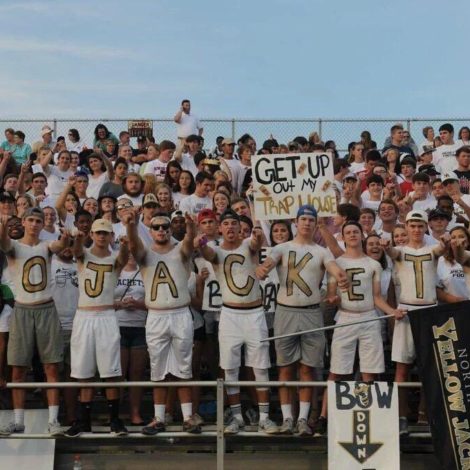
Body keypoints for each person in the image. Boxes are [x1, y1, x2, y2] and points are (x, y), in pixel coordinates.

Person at [256, 205, 348, 436]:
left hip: (311, 312)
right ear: (295, 222)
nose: (307, 223)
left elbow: (334, 268)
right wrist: (263, 269)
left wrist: (341, 277)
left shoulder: (322, 251)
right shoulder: (282, 247)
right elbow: (270, 261)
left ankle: (303, 419)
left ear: (316, 223)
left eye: (311, 219)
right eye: (303, 219)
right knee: (285, 367)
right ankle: (288, 418)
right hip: (286, 311)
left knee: (308, 368)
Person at [316, 221, 406, 433]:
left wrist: (392, 311)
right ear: (343, 237)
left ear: (361, 235)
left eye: (355, 232)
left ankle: (370, 418)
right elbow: (332, 294)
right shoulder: (336, 263)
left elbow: (376, 298)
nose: (352, 235)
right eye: (348, 232)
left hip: (369, 318)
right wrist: (333, 299)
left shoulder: (373, 264)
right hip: (345, 317)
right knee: (336, 370)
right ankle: (323, 417)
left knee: (369, 372)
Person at [198, 209, 279, 435]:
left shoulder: (247, 246)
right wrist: (199, 241)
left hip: (254, 313)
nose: (230, 227)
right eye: (226, 224)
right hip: (229, 314)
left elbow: (256, 242)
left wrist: (258, 231)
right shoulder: (215, 250)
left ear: (239, 227)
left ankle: (264, 417)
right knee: (230, 368)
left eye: (234, 223)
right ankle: (236, 417)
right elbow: (206, 252)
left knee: (260, 367)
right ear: (220, 228)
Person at [123, 209, 202, 435]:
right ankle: (159, 417)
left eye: (165, 226)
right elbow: (133, 244)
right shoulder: (145, 253)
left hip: (180, 313)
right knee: (158, 369)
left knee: (183, 367)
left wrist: (190, 227)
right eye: (156, 227)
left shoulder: (180, 251)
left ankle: (187, 417)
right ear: (150, 231)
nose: (161, 230)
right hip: (156, 315)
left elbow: (189, 243)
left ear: (170, 230)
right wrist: (131, 224)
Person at [0, 207, 71, 436]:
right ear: (23, 222)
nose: (33, 224)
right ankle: (18, 421)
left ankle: (53, 420)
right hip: (22, 309)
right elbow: (3, 243)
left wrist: (66, 237)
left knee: (51, 366)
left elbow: (59, 246)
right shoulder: (14, 246)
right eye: (30, 220)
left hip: (46, 308)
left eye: (38, 220)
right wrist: (3, 226)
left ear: (42, 224)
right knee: (18, 367)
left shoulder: (46, 245)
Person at [381, 210, 449, 435]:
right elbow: (392, 252)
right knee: (402, 368)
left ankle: (424, 415)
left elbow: (441, 249)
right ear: (407, 227)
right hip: (407, 312)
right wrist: (386, 246)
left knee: (429, 368)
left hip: (429, 312)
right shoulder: (400, 251)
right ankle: (401, 416)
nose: (416, 230)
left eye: (420, 226)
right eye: (412, 226)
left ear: (425, 227)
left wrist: (446, 241)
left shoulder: (432, 249)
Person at [65, 218, 129, 437]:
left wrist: (125, 243)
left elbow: (124, 258)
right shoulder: (83, 254)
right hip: (84, 315)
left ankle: (115, 420)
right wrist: (78, 238)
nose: (102, 236)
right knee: (84, 373)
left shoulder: (114, 258)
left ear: (111, 236)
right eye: (98, 232)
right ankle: (84, 421)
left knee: (111, 372)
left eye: (105, 233)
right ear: (92, 234)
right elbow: (76, 251)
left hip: (106, 315)